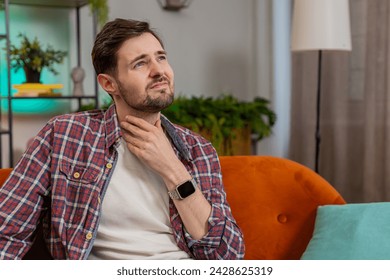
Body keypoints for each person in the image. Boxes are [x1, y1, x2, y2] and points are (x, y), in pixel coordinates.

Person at [0, 18, 245, 260]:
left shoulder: (198, 149)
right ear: (109, 84)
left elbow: (227, 257)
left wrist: (172, 168)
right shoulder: (64, 136)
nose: (159, 71)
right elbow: (7, 230)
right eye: (140, 64)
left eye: (161, 57)